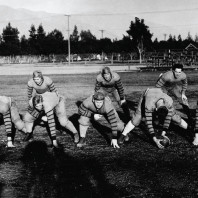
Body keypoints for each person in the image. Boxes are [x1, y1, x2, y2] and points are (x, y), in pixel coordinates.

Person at [118, 88, 189, 149]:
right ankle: (122, 135)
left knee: (175, 118)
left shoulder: (169, 101)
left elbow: (168, 118)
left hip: (159, 93)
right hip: (147, 95)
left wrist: (163, 133)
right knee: (137, 119)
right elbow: (148, 123)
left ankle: (191, 131)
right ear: (156, 109)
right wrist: (154, 139)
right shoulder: (149, 104)